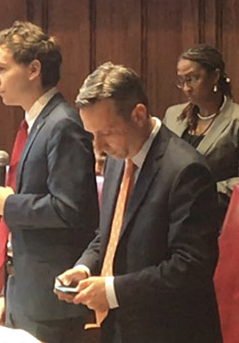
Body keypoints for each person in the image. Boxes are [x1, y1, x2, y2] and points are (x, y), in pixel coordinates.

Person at [55, 62, 222, 343]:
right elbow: (110, 234)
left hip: (169, 333)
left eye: (106, 132)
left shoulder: (186, 171)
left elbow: (190, 268)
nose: (98, 148)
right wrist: (84, 267)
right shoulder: (118, 160)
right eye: (92, 135)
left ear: (138, 115)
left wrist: (112, 291)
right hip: (119, 329)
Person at [0, 21, 99, 343]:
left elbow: (71, 209)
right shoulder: (37, 123)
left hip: (50, 302)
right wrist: (8, 294)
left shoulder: (63, 125)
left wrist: (9, 204)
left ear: (33, 69)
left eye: (1, 69)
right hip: (25, 292)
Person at [163, 44, 239, 211]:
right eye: (181, 81)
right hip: (169, 213)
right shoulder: (172, 115)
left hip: (213, 214)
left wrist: (201, 192)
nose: (186, 88)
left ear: (215, 76)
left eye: (192, 79)